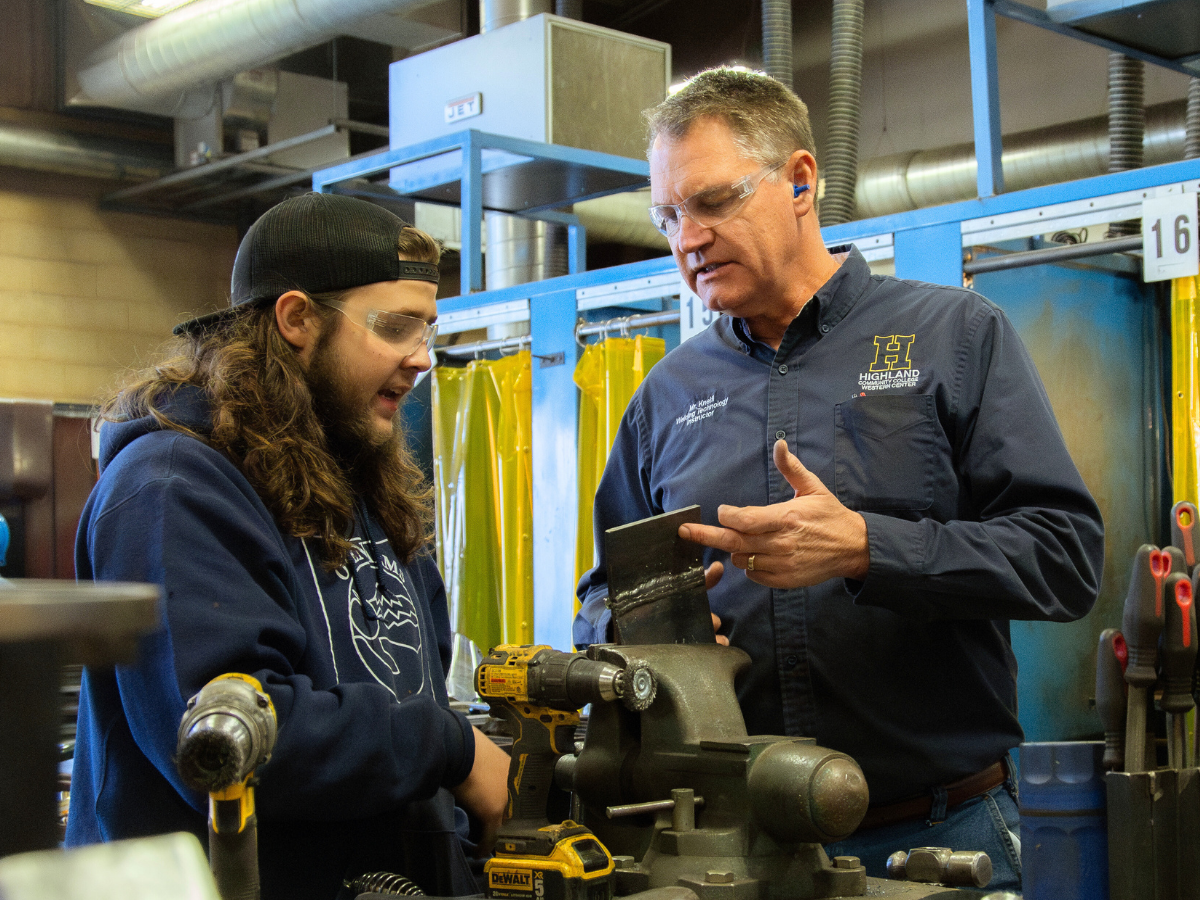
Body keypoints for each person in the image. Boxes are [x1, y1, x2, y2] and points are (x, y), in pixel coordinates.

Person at [573, 68, 1104, 890]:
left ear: (800, 181)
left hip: (939, 837)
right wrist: (644, 636)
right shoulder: (663, 397)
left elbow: (1065, 558)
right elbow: (602, 596)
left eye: (713, 202)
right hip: (734, 852)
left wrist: (867, 547)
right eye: (668, 215)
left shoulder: (954, 336)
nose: (687, 238)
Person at [67, 192, 510, 900]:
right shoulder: (170, 486)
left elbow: (412, 684)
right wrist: (449, 748)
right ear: (297, 318)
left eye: (428, 327)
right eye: (395, 327)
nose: (423, 357)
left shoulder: (366, 482)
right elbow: (227, 741)